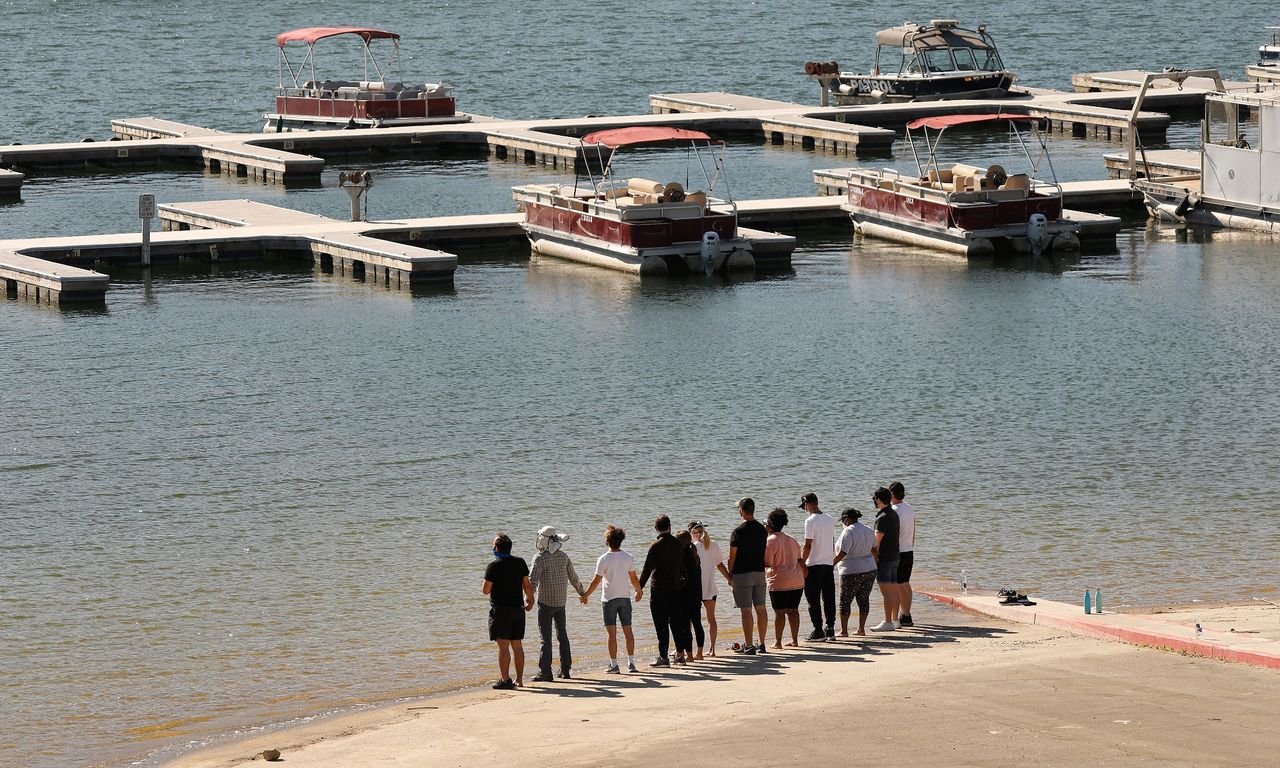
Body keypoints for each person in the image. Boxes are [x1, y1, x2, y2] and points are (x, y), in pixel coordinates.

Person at [580, 525, 643, 673]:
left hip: (608, 600)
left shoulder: (603, 559)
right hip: (624, 598)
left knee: (612, 634)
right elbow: (633, 578)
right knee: (628, 630)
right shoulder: (628, 557)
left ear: (607, 541)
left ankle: (614, 665)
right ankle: (631, 663)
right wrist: (639, 591)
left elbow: (596, 581)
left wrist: (585, 595)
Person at [528, 526, 586, 682]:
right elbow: (573, 578)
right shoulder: (564, 556)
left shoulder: (539, 558)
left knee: (545, 639)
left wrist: (528, 600)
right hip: (561, 603)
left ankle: (545, 672)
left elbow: (532, 582)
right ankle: (565, 670)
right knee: (563, 635)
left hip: (545, 604)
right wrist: (582, 593)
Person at [482, 533, 534, 690]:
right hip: (518, 609)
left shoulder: (493, 566)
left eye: (493, 545)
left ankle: (505, 680)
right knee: (517, 645)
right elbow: (526, 585)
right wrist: (530, 600)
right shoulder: (520, 562)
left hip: (501, 610)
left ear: (497, 548)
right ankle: (519, 680)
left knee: (503, 646)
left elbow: (485, 590)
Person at [638, 515, 690, 667]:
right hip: (675, 590)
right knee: (676, 623)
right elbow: (683, 569)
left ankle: (664, 657)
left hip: (659, 590)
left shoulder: (656, 546)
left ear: (656, 528)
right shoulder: (678, 544)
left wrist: (639, 588)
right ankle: (680, 655)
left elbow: (647, 570)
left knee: (661, 624)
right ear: (670, 526)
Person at [727, 497, 769, 655]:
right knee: (761, 608)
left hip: (742, 574)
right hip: (759, 572)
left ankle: (750, 645)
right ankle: (762, 643)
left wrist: (730, 575)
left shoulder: (737, 531)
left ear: (742, 511)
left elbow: (732, 557)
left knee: (746, 610)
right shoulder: (762, 529)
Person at [763, 507, 806, 648]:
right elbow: (799, 559)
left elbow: (767, 563)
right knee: (793, 610)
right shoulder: (792, 540)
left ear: (769, 525)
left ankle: (778, 642)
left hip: (779, 581)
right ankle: (794, 640)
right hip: (796, 580)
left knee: (779, 612)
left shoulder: (770, 541)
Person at [832, 507, 877, 636]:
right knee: (864, 599)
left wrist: (831, 564)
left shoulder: (848, 532)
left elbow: (842, 553)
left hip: (851, 571)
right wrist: (876, 564)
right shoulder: (868, 529)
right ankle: (861, 629)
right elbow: (874, 550)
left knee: (845, 601)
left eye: (843, 520)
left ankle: (844, 631)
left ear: (846, 519)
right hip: (870, 569)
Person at [689, 521, 731, 656]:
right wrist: (729, 579)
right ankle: (712, 649)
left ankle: (688, 650)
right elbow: (720, 565)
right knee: (711, 619)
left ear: (692, 533)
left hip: (694, 589)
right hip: (710, 588)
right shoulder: (714, 545)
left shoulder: (691, 547)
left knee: (690, 621)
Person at [799, 491, 837, 641]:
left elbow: (807, 545)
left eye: (804, 506)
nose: (805, 509)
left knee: (812, 599)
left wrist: (802, 562)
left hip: (813, 564)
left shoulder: (810, 521)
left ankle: (818, 630)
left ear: (807, 504)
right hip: (828, 563)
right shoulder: (829, 518)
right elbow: (831, 541)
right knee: (828, 597)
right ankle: (831, 628)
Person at [870, 487, 901, 632]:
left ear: (879, 500)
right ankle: (895, 620)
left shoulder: (882, 517)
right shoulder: (894, 513)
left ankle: (888, 621)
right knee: (893, 589)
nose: (874, 501)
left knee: (886, 592)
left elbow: (876, 542)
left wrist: (873, 558)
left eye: (875, 499)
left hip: (885, 559)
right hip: (895, 556)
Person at [890, 481, 917, 627]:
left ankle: (902, 616)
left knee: (898, 585)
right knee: (905, 583)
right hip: (908, 549)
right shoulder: (909, 508)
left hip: (898, 551)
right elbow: (914, 528)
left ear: (892, 495)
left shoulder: (893, 510)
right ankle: (906, 614)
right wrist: (911, 544)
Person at [675, 529, 703, 661]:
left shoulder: (681, 555)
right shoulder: (695, 554)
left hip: (685, 594)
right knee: (697, 623)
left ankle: (689, 655)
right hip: (697, 593)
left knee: (686, 626)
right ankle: (700, 653)